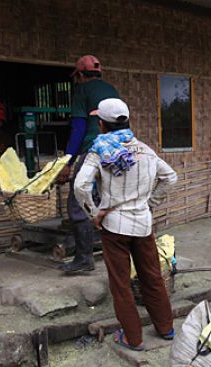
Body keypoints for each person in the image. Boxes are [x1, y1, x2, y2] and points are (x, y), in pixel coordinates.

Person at [74, 98, 178, 350]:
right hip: (143, 224)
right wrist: (150, 203)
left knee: (121, 285)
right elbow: (170, 177)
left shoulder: (99, 151)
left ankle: (134, 338)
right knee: (152, 276)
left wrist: (94, 213)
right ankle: (166, 328)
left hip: (114, 227)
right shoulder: (145, 150)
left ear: (101, 124)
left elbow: (80, 185)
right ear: (127, 120)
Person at [58, 55, 120, 273]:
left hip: (93, 151)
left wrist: (68, 162)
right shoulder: (112, 90)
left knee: (77, 203)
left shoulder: (82, 91)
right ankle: (116, 255)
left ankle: (84, 259)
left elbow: (78, 130)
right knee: (109, 200)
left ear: (81, 75)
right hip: (116, 152)